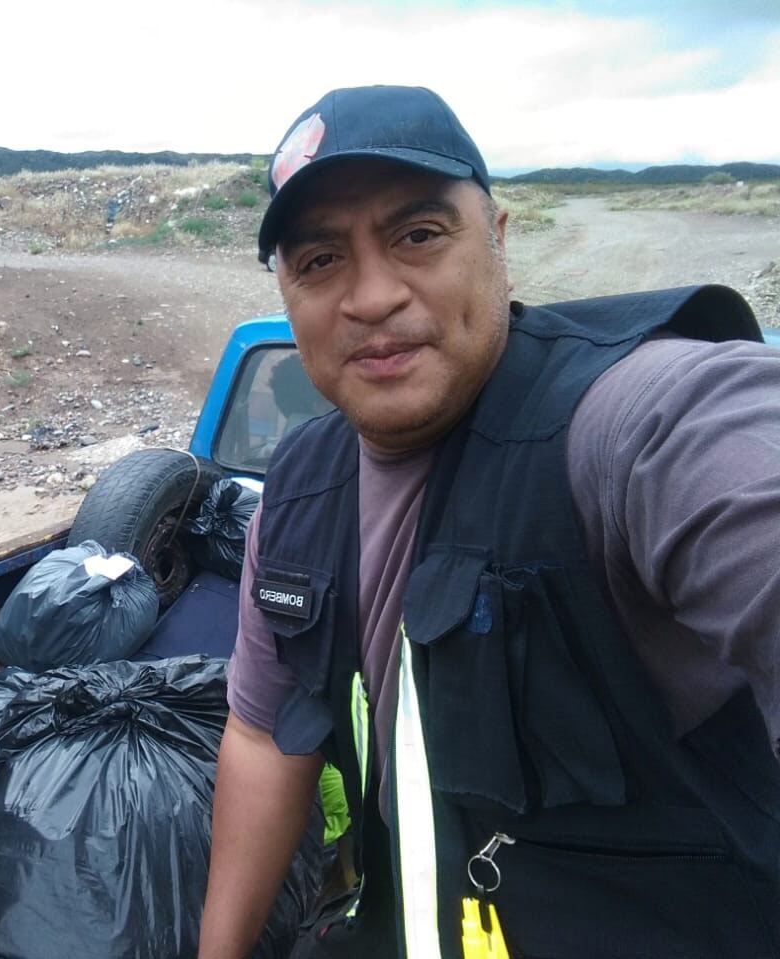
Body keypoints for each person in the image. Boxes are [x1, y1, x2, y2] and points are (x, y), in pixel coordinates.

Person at [198, 85, 780, 959]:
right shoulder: (299, 491)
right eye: (319, 260)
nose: (371, 296)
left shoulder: (635, 421)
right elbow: (258, 733)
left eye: (418, 235)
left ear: (499, 240)